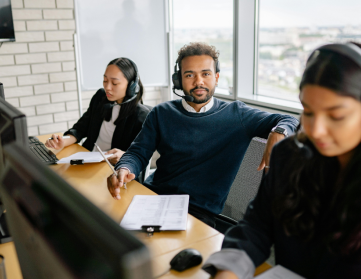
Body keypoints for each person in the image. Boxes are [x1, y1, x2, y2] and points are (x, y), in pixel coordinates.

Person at [203, 42, 361, 279]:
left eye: (336, 116)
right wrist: (228, 271)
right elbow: (255, 228)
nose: (317, 130)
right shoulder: (289, 156)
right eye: (308, 111)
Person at [107, 42, 298, 228]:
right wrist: (123, 167)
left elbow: (290, 120)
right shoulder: (161, 113)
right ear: (178, 80)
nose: (199, 81)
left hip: (198, 212)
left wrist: (278, 132)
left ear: (216, 77)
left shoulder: (237, 114)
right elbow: (138, 153)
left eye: (205, 74)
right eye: (189, 75)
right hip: (154, 196)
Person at [45, 58, 150, 165]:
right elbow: (80, 129)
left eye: (114, 83)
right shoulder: (100, 98)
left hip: (112, 167)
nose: (107, 87)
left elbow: (140, 154)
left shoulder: (140, 115)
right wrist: (63, 142)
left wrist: (124, 156)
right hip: (88, 159)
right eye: (105, 80)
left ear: (131, 87)